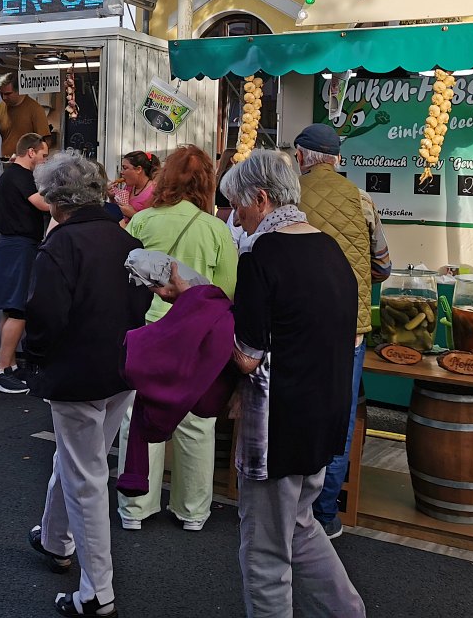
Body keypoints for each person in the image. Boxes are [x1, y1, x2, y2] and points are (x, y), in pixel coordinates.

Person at [213, 149, 364, 617]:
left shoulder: (261, 255)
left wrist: (201, 313)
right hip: (325, 411)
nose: (236, 216)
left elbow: (247, 357)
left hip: (277, 422)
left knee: (264, 552)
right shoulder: (329, 248)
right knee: (299, 525)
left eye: (239, 204)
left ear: (261, 198)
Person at [24, 152, 153, 618]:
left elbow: (44, 316)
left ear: (56, 199)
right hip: (121, 367)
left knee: (86, 476)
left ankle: (98, 591)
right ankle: (55, 539)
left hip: (76, 372)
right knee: (79, 460)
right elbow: (141, 302)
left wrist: (37, 357)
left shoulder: (60, 245)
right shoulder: (125, 239)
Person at [117, 145, 238, 532]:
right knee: (196, 424)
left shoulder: (142, 221)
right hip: (196, 338)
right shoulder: (216, 229)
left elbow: (124, 277)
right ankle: (192, 512)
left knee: (140, 417)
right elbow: (227, 292)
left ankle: (135, 508)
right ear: (207, 183)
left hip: (148, 330)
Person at [293, 123, 392, 538]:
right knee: (340, 417)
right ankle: (325, 514)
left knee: (292, 411)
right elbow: (383, 265)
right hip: (347, 330)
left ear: (301, 156)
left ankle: (288, 505)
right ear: (336, 159)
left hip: (296, 327)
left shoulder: (288, 196)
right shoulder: (362, 200)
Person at [0, 132, 50, 394]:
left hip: (12, 245)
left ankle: (9, 365)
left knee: (10, 309)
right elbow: (43, 205)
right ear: (31, 152)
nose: (44, 160)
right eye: (43, 155)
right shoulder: (21, 175)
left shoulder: (11, 174)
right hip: (20, 246)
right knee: (19, 309)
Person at [0, 73, 50, 174]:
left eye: (8, 94)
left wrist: (29, 158)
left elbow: (45, 142)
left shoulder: (35, 110)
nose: (4, 97)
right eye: (1, 93)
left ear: (19, 91)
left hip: (30, 168)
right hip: (8, 167)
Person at [112, 150, 158, 221]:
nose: (121, 172)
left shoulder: (154, 191)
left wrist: (133, 214)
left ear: (138, 169)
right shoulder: (129, 186)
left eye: (125, 168)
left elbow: (154, 222)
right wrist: (111, 197)